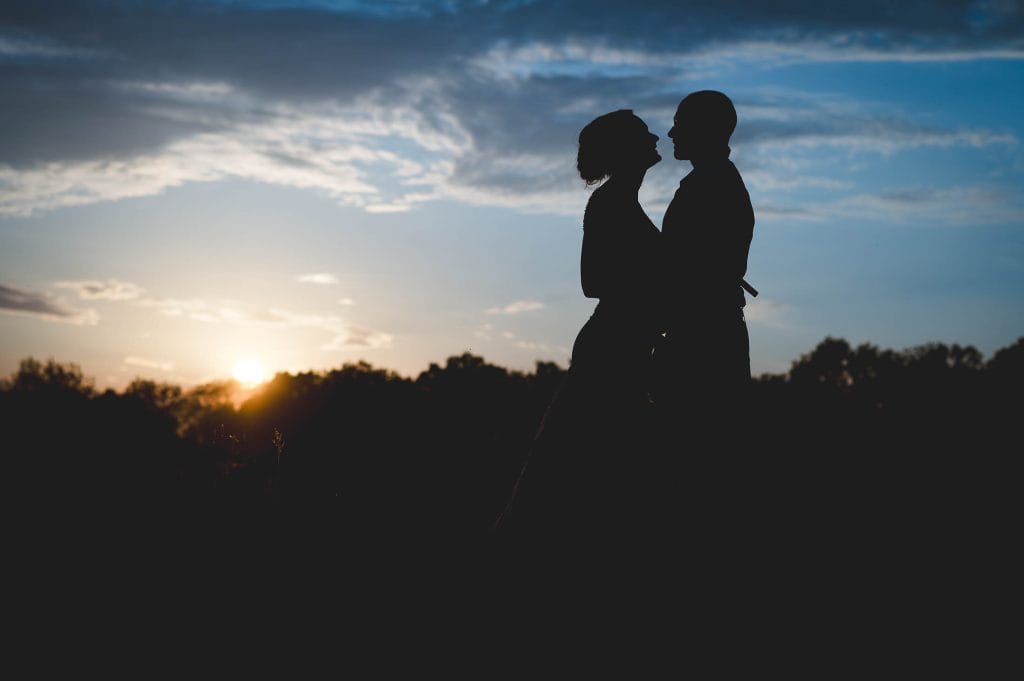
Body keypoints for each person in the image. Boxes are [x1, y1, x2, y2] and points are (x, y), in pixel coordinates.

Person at [493, 110, 666, 545]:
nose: (655, 137)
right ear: (627, 149)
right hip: (610, 348)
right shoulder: (608, 203)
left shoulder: (625, 201)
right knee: (582, 463)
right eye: (645, 134)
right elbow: (593, 282)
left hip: (626, 344)